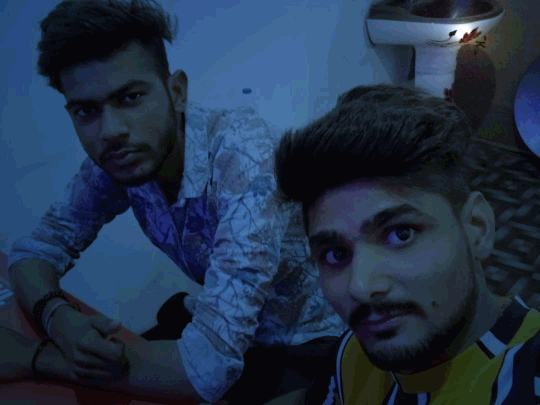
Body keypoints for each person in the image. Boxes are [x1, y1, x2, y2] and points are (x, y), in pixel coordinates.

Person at [6, 0, 347, 403]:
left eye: (130, 98)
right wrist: (57, 318)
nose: (110, 130)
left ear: (177, 92)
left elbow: (207, 369)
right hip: (225, 329)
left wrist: (35, 357)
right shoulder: (121, 154)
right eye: (86, 111)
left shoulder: (247, 160)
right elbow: (34, 252)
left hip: (308, 344)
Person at [262, 83, 540, 404]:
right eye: (336, 254)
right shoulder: (353, 352)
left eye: (400, 234)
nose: (361, 287)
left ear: (476, 228)